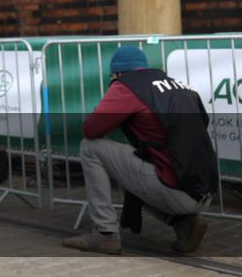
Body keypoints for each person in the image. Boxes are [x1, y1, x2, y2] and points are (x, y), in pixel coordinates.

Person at [62, 46, 218, 255]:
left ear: (118, 73)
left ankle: (105, 233)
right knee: (135, 159)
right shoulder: (178, 84)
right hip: (205, 191)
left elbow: (91, 129)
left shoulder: (127, 86)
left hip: (176, 190)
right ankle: (184, 223)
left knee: (90, 147)